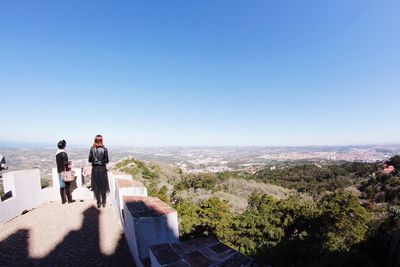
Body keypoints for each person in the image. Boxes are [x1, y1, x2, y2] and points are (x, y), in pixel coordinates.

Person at [88, 135, 110, 208]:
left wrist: (95, 160)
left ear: (95, 140)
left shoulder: (92, 149)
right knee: (103, 185)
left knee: (96, 186)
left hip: (95, 169)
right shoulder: (105, 149)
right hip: (102, 169)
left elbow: (90, 160)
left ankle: (98, 203)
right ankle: (103, 202)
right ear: (101, 140)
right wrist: (101, 160)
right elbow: (107, 161)